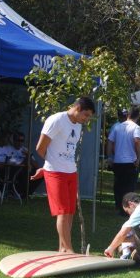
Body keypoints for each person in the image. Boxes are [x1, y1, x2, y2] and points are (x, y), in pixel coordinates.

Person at [34, 96, 95, 253]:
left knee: (69, 212)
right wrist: (49, 166)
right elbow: (40, 148)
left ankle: (62, 248)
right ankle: (69, 250)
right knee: (61, 211)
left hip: (71, 172)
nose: (87, 119)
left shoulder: (78, 125)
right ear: (77, 108)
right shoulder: (56, 120)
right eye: (86, 115)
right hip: (56, 173)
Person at [107, 107, 140, 215]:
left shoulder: (117, 127)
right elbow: (137, 141)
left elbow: (109, 142)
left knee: (118, 185)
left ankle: (119, 206)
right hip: (130, 161)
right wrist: (138, 157)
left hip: (118, 161)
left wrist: (109, 157)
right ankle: (127, 210)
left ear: (128, 115)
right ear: (138, 116)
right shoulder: (136, 127)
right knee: (129, 186)